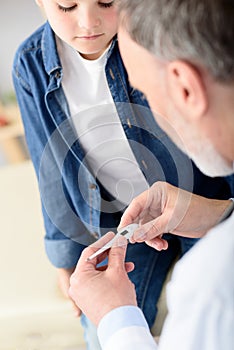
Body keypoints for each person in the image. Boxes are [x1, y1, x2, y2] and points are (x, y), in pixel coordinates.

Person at [68, 0, 234, 349]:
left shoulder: (211, 286)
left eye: (142, 91)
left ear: (185, 88)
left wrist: (117, 320)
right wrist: (222, 213)